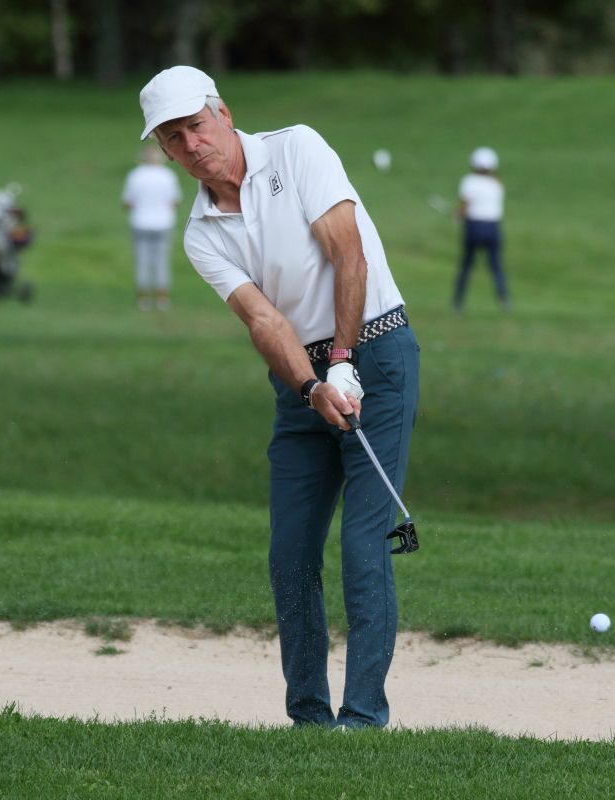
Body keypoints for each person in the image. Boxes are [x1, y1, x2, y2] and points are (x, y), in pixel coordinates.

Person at [137, 66, 421, 730]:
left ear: (224, 114)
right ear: (166, 152)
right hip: (299, 381)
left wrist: (343, 361)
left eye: (196, 125)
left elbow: (349, 255)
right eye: (173, 138)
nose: (191, 144)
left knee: (363, 543)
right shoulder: (201, 232)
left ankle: (362, 717)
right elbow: (263, 319)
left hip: (376, 352)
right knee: (290, 553)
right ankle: (308, 718)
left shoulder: (296, 149)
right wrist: (312, 386)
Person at [122, 145, 182, 310]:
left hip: (140, 222)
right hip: (163, 223)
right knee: (162, 261)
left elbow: (127, 202)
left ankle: (144, 299)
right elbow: (175, 201)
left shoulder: (135, 175)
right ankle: (162, 299)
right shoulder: (168, 175)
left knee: (142, 261)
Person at [453, 146, 509, 312]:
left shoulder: (469, 181)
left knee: (467, 265)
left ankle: (458, 303)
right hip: (493, 227)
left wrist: (457, 215)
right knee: (496, 265)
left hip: (474, 227)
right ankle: (504, 300)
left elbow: (464, 207)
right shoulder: (497, 184)